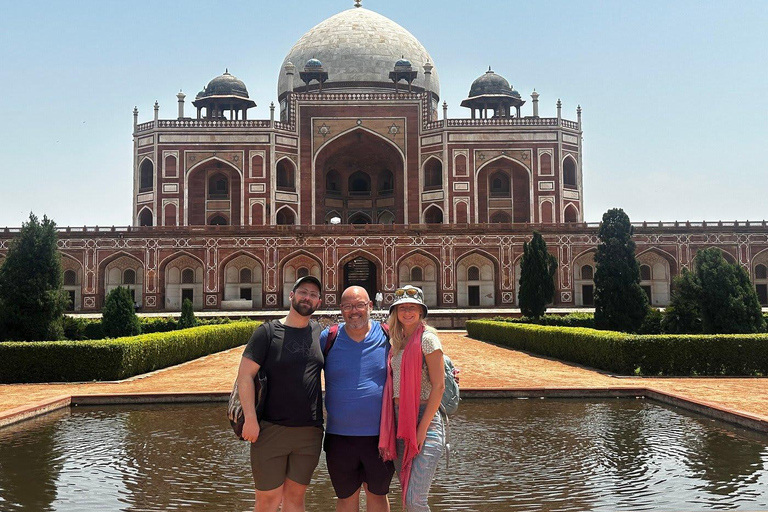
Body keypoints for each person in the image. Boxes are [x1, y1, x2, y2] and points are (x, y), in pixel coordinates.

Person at [236, 275, 324, 512]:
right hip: (271, 430)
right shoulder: (267, 332)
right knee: (268, 500)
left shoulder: (319, 332)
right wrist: (250, 419)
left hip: (309, 432)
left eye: (313, 295)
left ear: (319, 302)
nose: (307, 298)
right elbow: (245, 376)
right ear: (291, 295)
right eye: (303, 292)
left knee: (295, 498)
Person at [320, 286, 394, 512]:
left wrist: (446, 372)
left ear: (370, 306)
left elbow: (415, 357)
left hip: (380, 437)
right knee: (346, 498)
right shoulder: (329, 338)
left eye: (360, 305)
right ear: (341, 309)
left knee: (378, 496)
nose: (354, 311)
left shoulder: (388, 335)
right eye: (348, 306)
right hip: (339, 437)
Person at [379, 285, 445, 512]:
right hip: (400, 421)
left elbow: (439, 386)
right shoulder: (396, 341)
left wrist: (422, 429)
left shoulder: (428, 339)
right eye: (402, 308)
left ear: (421, 311)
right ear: (395, 312)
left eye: (412, 307)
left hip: (425, 420)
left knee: (415, 500)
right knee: (407, 494)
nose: (407, 312)